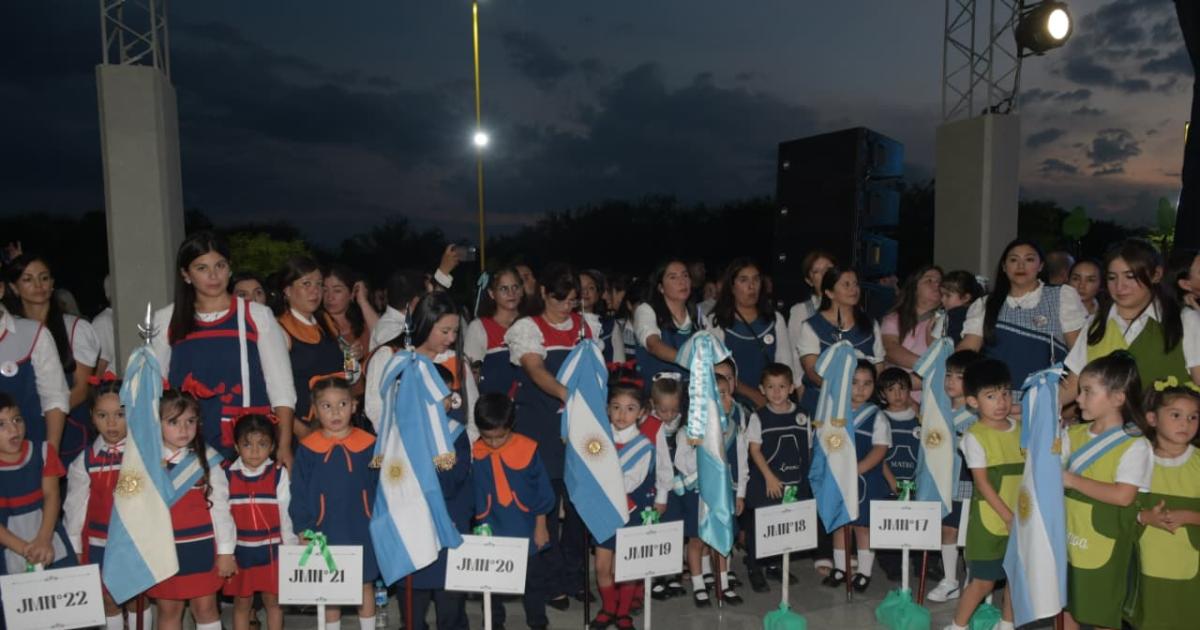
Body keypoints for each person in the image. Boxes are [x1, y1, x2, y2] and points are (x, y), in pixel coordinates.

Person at [152, 232, 296, 465]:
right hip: (185, 443)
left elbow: (281, 386)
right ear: (185, 275)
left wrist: (284, 444)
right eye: (201, 268)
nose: (213, 275)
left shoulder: (258, 315)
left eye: (220, 265)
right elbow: (151, 387)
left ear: (229, 269)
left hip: (247, 445)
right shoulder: (165, 319)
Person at [506, 263, 600, 606]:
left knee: (580, 509)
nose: (566, 307)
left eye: (573, 300)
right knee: (546, 509)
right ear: (543, 292)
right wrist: (568, 396)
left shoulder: (588, 327)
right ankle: (550, 581)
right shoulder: (527, 328)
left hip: (582, 432)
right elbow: (535, 370)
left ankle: (576, 577)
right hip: (542, 428)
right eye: (559, 299)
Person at [1061, 352, 1153, 630]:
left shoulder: (1134, 445)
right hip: (1068, 537)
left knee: (1102, 612)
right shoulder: (1072, 434)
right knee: (1067, 605)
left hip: (1105, 544)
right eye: (1080, 391)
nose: (1078, 399)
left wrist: (1071, 480)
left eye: (1088, 392)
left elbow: (1123, 496)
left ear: (1118, 398)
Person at [289, 376, 379, 629]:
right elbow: (299, 492)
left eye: (342, 404)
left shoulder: (370, 445)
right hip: (323, 528)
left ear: (354, 406)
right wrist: (304, 527)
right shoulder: (307, 448)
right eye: (326, 406)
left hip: (362, 527)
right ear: (315, 410)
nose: (335, 412)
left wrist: (381, 521)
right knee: (331, 586)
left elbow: (381, 487)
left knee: (364, 583)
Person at [64, 377, 152, 630]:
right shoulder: (86, 460)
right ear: (92, 416)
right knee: (108, 599)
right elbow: (75, 507)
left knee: (138, 598)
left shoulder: (142, 455)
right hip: (99, 542)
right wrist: (75, 548)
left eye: (120, 414)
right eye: (103, 415)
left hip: (136, 541)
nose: (111, 423)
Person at [944, 359, 1022, 630]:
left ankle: (1007, 623)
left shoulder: (1021, 430)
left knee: (1015, 577)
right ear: (973, 402)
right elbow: (983, 483)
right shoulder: (974, 437)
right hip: (990, 522)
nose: (1001, 402)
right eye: (991, 396)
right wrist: (1008, 517)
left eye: (1005, 393)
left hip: (1020, 517)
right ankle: (958, 625)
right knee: (983, 582)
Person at [148, 389, 235, 630]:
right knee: (169, 611)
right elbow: (129, 502)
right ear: (157, 423)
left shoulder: (207, 459)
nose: (183, 429)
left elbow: (221, 508)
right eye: (173, 422)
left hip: (201, 548)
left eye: (190, 421)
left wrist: (226, 551)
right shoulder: (144, 461)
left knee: (206, 608)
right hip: (163, 549)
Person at [408, 315, 474, 630]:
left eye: (447, 396)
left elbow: (455, 478)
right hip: (415, 524)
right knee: (414, 596)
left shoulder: (456, 433)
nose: (443, 402)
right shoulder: (403, 433)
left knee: (450, 596)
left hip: (449, 520)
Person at [1065, 239, 1200, 390]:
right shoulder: (1095, 324)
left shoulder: (1185, 320)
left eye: (1130, 276)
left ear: (1156, 274)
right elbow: (1072, 384)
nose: (1120, 286)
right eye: (1112, 278)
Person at [3, 253, 101, 463]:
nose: (38, 285)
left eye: (44, 278)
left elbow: (82, 389)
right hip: (17, 431)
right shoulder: (13, 331)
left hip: (67, 428)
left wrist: (47, 414)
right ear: (13, 287)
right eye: (28, 279)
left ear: (53, 283)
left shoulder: (75, 328)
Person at [590, 378, 670, 630]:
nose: (621, 414)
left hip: (629, 512)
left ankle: (623, 612)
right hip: (603, 513)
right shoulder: (598, 438)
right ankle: (608, 607)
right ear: (607, 409)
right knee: (602, 567)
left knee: (626, 567)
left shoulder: (643, 446)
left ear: (642, 412)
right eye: (616, 407)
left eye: (630, 408)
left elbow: (629, 482)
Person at [471, 393, 556, 630]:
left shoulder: (528, 449)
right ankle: (494, 622)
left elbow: (543, 492)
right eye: (488, 438)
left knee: (533, 582)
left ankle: (538, 621)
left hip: (525, 526)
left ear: (512, 426)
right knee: (491, 582)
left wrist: (541, 526)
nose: (494, 443)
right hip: (490, 525)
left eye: (501, 437)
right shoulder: (474, 451)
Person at [959, 238, 1087, 392]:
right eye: (1014, 260)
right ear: (1004, 267)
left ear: (1041, 266)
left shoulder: (1062, 297)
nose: (1020, 265)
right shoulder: (985, 304)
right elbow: (967, 351)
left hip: (1044, 400)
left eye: (1029, 259)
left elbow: (1079, 356)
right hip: (995, 402)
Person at [675, 358, 747, 607]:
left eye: (727, 394)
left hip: (724, 493)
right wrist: (705, 460)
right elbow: (682, 464)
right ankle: (698, 585)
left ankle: (723, 584)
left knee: (722, 539)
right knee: (696, 540)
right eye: (719, 396)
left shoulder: (733, 429)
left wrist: (740, 494)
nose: (726, 401)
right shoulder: (688, 433)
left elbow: (741, 463)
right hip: (697, 494)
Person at [1128, 381, 1200, 629]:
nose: (1186, 423)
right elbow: (1121, 507)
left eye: (1193, 417)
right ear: (1152, 418)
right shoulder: (1137, 459)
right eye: (1176, 415)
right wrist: (1144, 517)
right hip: (1147, 566)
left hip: (1190, 568)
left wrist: (1189, 516)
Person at [223, 415, 296, 630]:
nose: (254, 451)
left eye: (262, 444)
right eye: (247, 444)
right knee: (242, 604)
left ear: (272, 446)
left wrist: (290, 550)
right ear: (237, 446)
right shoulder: (227, 475)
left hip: (271, 552)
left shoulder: (277, 474)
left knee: (273, 603)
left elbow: (286, 513)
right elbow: (222, 518)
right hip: (241, 553)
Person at [743, 362, 811, 592]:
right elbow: (754, 450)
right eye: (770, 387)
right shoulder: (758, 417)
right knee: (761, 527)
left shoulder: (803, 415)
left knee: (784, 526)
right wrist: (770, 478)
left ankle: (775, 566)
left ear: (792, 387)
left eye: (782, 386)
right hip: (766, 482)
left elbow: (807, 449)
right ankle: (754, 567)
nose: (776, 392)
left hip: (793, 482)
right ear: (762, 389)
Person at [824, 359, 888, 592]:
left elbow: (880, 449)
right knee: (841, 524)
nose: (860, 389)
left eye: (867, 383)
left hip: (866, 479)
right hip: (838, 478)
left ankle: (864, 571)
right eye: (854, 383)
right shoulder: (833, 413)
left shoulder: (877, 416)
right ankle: (840, 567)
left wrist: (857, 469)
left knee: (863, 527)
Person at [925, 349, 984, 603]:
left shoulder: (978, 414)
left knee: (969, 533)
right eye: (948, 374)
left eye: (959, 377)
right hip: (942, 479)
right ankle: (950, 579)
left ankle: (973, 582)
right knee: (946, 528)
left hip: (967, 480)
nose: (950, 381)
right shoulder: (938, 408)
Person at [0, 391, 76, 579]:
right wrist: (25, 549)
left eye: (17, 419)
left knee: (64, 591)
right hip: (9, 545)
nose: (13, 429)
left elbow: (52, 496)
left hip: (49, 538)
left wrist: (43, 539)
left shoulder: (42, 452)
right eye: (1, 424)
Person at [797, 267, 885, 417]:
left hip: (861, 406)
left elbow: (879, 367)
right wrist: (843, 391)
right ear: (829, 293)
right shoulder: (811, 326)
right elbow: (812, 371)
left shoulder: (870, 324)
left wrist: (862, 393)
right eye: (846, 284)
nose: (854, 289)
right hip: (823, 405)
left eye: (856, 284)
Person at [708, 259, 794, 409]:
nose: (751, 286)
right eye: (744, 280)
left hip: (773, 402)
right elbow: (717, 371)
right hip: (732, 404)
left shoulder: (775, 319)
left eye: (756, 279)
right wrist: (755, 396)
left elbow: (785, 366)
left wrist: (773, 395)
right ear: (732, 286)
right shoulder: (717, 322)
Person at [0, 279, 69, 452]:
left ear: (1, 289)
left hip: (28, 453)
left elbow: (55, 397)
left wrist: (50, 454)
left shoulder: (32, 333)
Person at [277, 256, 345, 426]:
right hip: (304, 426)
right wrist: (301, 432)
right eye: (306, 284)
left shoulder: (326, 322)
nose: (315, 291)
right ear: (287, 290)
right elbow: (274, 394)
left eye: (319, 284)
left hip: (337, 420)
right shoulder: (279, 329)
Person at [368, 245, 460, 353]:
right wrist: (441, 275)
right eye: (427, 297)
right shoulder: (388, 329)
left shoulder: (395, 325)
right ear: (416, 302)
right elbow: (414, 348)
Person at [876, 367, 923, 582]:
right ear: (882, 394)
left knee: (917, 523)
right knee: (889, 524)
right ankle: (891, 564)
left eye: (902, 388)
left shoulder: (921, 419)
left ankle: (921, 562)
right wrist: (890, 480)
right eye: (891, 389)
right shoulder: (879, 419)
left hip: (915, 481)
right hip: (888, 483)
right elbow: (878, 454)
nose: (897, 394)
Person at [647, 372, 686, 601]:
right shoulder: (649, 425)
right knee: (655, 529)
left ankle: (672, 572)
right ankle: (655, 576)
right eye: (664, 410)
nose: (669, 415)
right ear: (653, 405)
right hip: (655, 487)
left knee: (675, 527)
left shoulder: (681, 423)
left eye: (674, 410)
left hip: (678, 487)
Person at [634, 260, 698, 385]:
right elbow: (654, 345)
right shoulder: (646, 310)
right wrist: (692, 361)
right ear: (661, 287)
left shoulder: (698, 316)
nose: (682, 281)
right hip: (656, 397)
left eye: (685, 275)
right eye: (673, 277)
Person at [881, 266, 943, 393]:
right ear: (914, 288)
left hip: (930, 398)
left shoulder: (948, 321)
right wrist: (930, 367)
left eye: (940, 282)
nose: (937, 285)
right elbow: (890, 349)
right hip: (895, 397)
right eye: (929, 280)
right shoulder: (894, 319)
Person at [464, 267, 524, 396]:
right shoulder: (479, 327)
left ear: (522, 290)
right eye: (504, 289)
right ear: (492, 293)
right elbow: (470, 376)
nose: (511, 293)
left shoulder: (533, 324)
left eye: (515, 287)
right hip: (494, 408)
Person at [323, 264, 380, 393]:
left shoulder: (363, 323)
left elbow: (383, 336)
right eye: (325, 290)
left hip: (366, 401)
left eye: (337, 290)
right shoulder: (319, 325)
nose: (329, 297)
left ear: (351, 293)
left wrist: (362, 300)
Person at [787, 250, 837, 354]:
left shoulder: (851, 306)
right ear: (809, 281)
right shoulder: (800, 311)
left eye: (828, 269)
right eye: (817, 271)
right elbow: (794, 354)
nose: (824, 274)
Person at [581, 269, 626, 365]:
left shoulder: (609, 325)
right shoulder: (564, 322)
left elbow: (619, 361)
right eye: (580, 288)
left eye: (591, 288)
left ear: (598, 293)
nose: (585, 292)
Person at [935, 271, 982, 346]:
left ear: (966, 297)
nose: (942, 299)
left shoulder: (955, 314)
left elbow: (943, 347)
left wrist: (928, 333)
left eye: (948, 295)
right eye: (942, 294)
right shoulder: (977, 313)